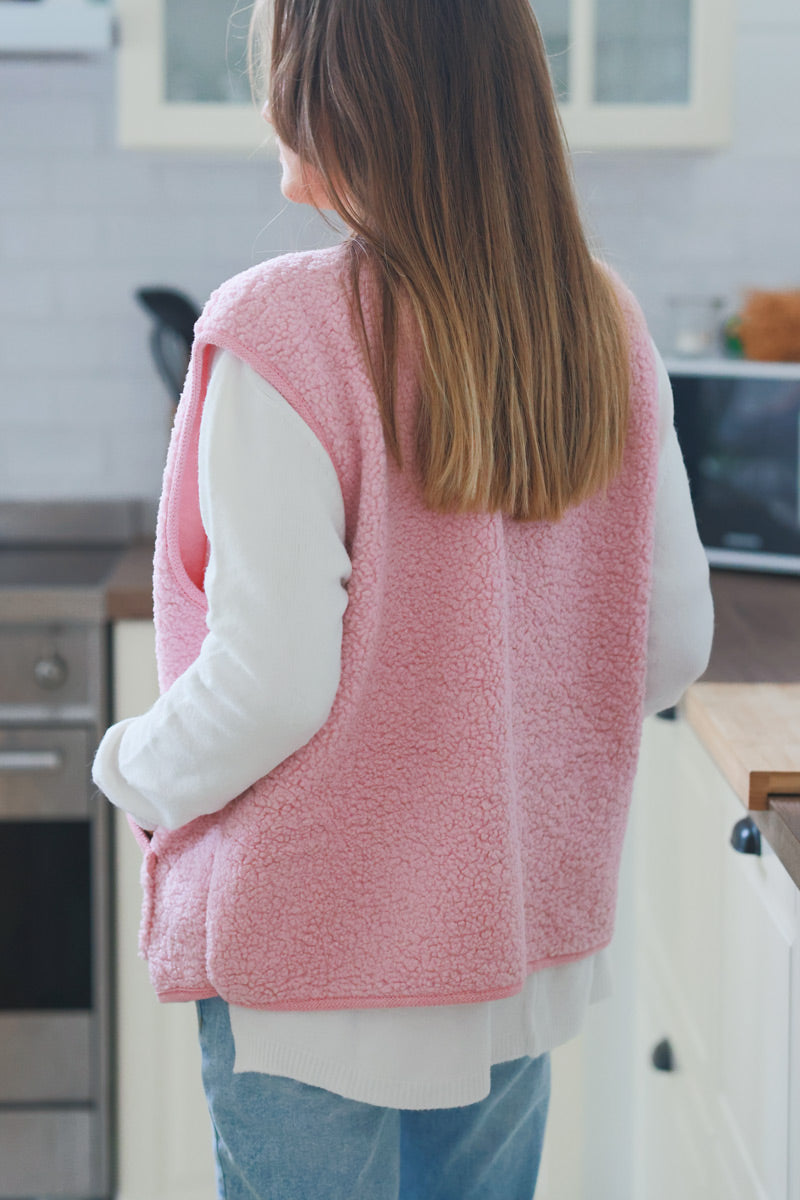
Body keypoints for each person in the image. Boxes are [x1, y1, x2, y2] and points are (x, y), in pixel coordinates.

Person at [92, 1, 714, 1196]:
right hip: (510, 945)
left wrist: (131, 769)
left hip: (313, 961)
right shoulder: (596, 316)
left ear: (331, 91)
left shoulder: (281, 323)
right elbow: (667, 641)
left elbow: (270, 683)